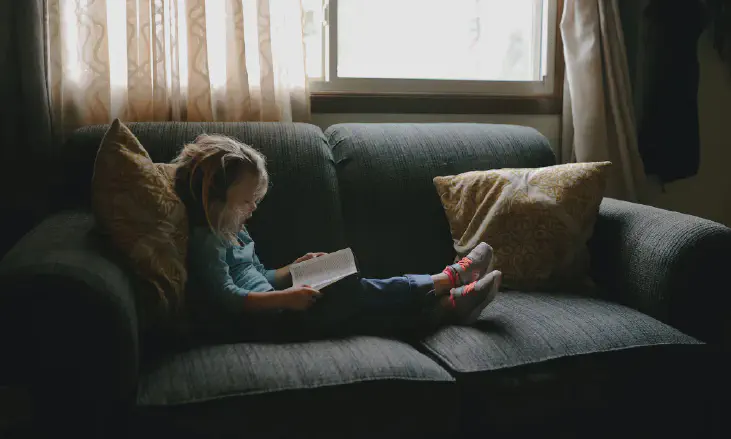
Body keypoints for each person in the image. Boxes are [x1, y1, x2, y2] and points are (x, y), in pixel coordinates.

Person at [173, 134, 501, 340]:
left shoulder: (236, 231)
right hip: (267, 323)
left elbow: (260, 277)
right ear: (214, 200)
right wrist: (286, 298)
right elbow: (229, 297)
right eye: (245, 202)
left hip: (278, 306)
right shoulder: (208, 242)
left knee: (352, 294)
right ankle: (448, 280)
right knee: (351, 290)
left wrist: (291, 270)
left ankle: (447, 306)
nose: (252, 210)